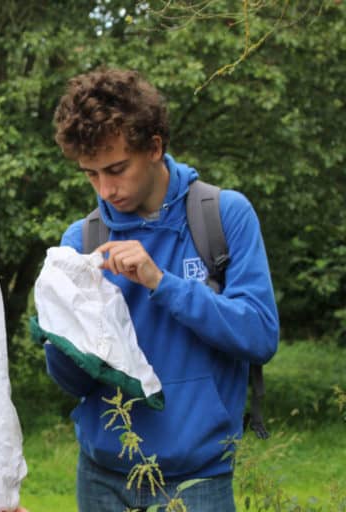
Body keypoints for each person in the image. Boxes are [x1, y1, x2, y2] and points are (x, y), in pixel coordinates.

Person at [46, 68, 280, 511]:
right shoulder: (81, 241)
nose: (106, 189)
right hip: (102, 478)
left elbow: (260, 336)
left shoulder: (223, 215)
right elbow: (74, 381)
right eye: (91, 175)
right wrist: (58, 336)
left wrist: (161, 283)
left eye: (116, 169)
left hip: (198, 480)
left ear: (154, 147)